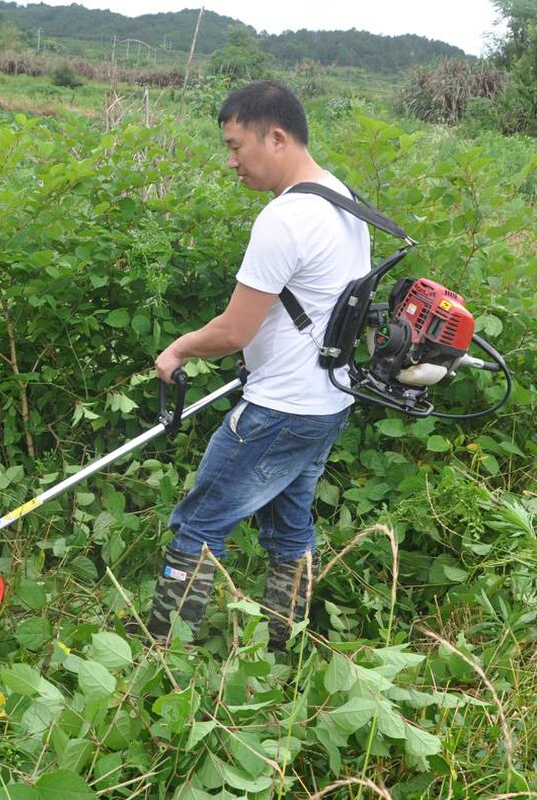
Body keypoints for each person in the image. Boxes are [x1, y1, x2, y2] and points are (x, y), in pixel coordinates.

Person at [146, 80, 370, 651]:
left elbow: (233, 331)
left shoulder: (286, 218)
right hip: (327, 403)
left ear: (275, 137)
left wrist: (177, 350)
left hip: (280, 409)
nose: (231, 161)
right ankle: (280, 647)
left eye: (235, 146)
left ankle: (163, 657)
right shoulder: (343, 201)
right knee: (290, 530)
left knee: (198, 525)